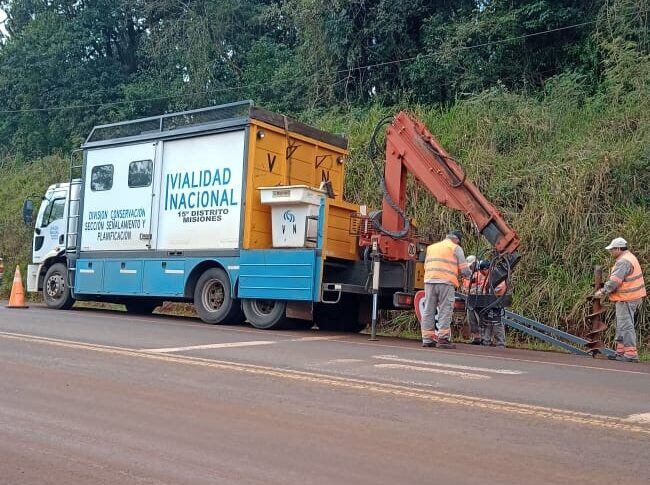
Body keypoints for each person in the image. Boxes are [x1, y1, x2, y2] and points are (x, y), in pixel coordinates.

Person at [594, 237, 646, 363]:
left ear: (618, 249)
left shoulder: (623, 262)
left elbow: (614, 282)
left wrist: (602, 291)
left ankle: (630, 354)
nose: (611, 252)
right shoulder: (629, 257)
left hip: (627, 299)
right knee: (621, 325)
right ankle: (621, 352)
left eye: (612, 250)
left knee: (625, 325)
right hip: (630, 297)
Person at [421, 230, 472, 349]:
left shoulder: (432, 247)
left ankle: (427, 338)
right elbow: (464, 269)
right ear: (457, 240)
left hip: (429, 280)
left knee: (429, 309)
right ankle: (443, 338)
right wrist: (469, 275)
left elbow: (426, 264)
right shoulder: (455, 248)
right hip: (446, 282)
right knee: (445, 309)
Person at [475, 260, 507, 348]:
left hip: (497, 300)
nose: (482, 274)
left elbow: (499, 287)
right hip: (491, 300)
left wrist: (488, 292)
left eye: (482, 271)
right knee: (487, 321)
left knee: (496, 322)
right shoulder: (490, 276)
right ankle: (486, 340)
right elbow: (484, 287)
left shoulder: (496, 275)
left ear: (485, 269)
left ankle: (501, 343)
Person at [461, 255, 482, 345]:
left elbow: (482, 286)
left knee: (480, 318)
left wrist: (471, 290)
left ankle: (484, 337)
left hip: (479, 299)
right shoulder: (467, 275)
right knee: (471, 319)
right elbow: (464, 287)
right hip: (470, 299)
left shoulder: (481, 273)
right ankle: (476, 337)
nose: (470, 267)